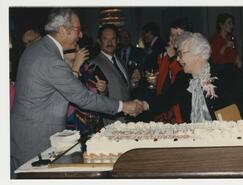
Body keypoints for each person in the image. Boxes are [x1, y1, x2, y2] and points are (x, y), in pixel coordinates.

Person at [10, 8, 144, 175]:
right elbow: (83, 98)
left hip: (26, 136)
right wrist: (123, 106)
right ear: (62, 31)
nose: (80, 36)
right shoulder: (51, 60)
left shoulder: (36, 49)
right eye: (78, 31)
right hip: (36, 141)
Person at [142, 31, 243, 123]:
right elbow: (166, 99)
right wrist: (143, 105)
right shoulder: (183, 78)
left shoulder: (226, 74)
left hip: (224, 139)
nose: (177, 59)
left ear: (197, 53)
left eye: (180, 54)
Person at [89, 24, 140, 125]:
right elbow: (94, 96)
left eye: (113, 39)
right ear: (99, 41)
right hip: (110, 121)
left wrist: (133, 83)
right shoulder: (93, 64)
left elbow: (123, 87)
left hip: (127, 118)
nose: (109, 42)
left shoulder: (120, 61)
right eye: (105, 39)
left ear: (117, 41)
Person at [154, 18, 193, 123]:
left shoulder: (191, 55)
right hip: (167, 106)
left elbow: (183, 78)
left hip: (182, 106)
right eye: (172, 35)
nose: (174, 38)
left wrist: (172, 58)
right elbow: (162, 80)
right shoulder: (164, 55)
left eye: (179, 34)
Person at [116, 28, 145, 99]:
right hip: (120, 90)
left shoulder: (139, 52)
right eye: (122, 38)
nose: (125, 40)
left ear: (130, 38)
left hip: (136, 89)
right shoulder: (116, 53)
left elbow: (143, 69)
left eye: (126, 37)